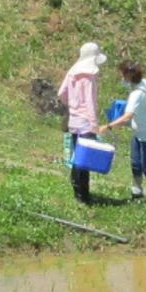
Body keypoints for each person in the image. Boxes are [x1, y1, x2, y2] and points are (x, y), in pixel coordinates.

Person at [96, 60, 146, 200]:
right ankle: (137, 190)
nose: (121, 77)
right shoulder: (145, 83)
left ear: (129, 75)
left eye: (122, 74)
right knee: (135, 164)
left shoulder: (136, 94)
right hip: (138, 132)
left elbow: (127, 117)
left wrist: (108, 126)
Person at [56, 41, 105, 205]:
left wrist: (72, 105)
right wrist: (94, 123)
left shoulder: (72, 72)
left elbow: (61, 93)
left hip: (74, 120)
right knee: (85, 160)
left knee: (77, 156)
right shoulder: (88, 76)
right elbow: (90, 102)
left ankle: (77, 191)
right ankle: (83, 195)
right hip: (86, 123)